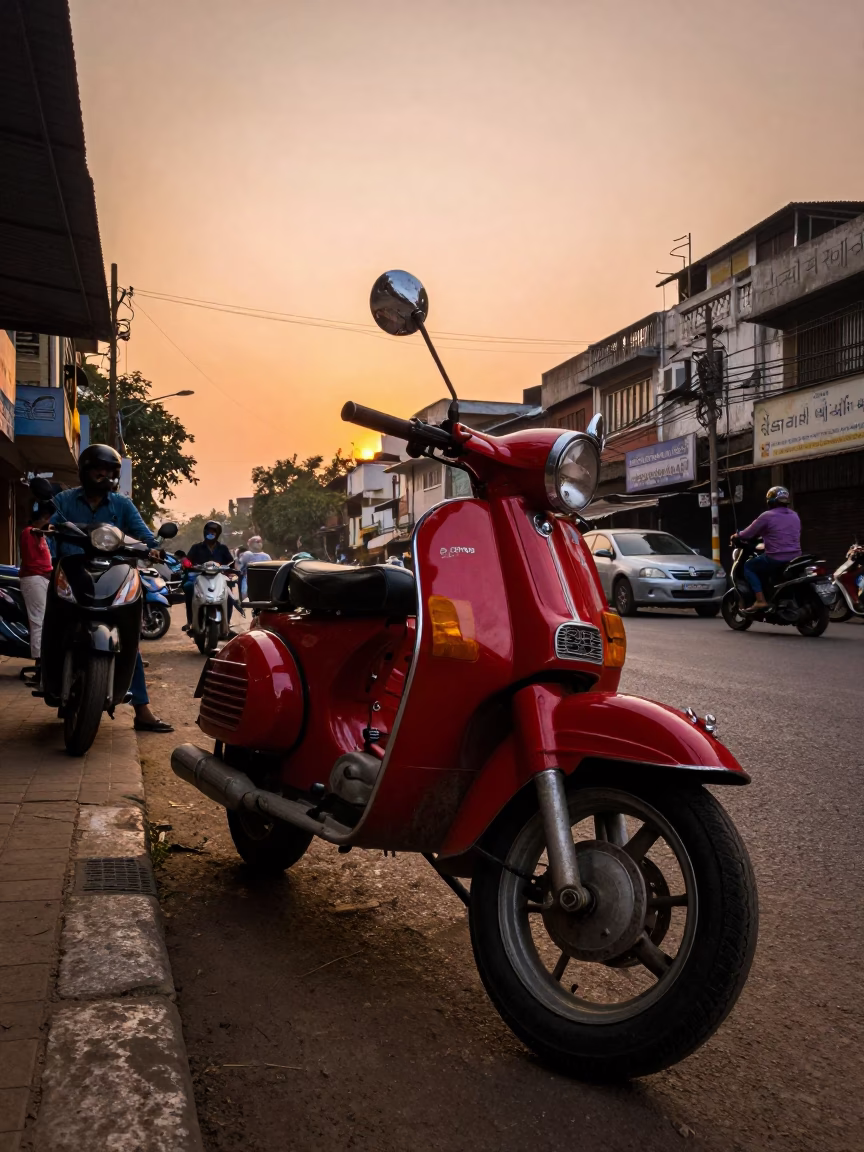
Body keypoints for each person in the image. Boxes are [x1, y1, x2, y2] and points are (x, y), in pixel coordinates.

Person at [50, 444, 173, 733]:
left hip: (113, 574)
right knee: (53, 624)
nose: (103, 475)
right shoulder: (64, 500)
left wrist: (154, 549)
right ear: (85, 471)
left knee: (130, 639)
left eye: (109, 471)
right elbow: (48, 527)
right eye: (98, 469)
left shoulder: (121, 504)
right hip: (72, 572)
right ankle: (51, 679)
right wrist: (43, 534)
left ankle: (142, 711)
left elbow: (144, 536)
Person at [734, 485, 802, 612]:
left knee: (749, 566)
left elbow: (748, 533)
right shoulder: (795, 515)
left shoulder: (767, 516)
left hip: (776, 558)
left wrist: (736, 536)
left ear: (770, 501)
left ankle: (760, 600)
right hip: (795, 557)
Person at [18, 500, 54, 678]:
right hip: (33, 579)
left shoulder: (41, 535)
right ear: (44, 517)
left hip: (43, 578)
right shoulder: (29, 532)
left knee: (45, 620)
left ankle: (44, 662)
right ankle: (40, 665)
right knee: (38, 621)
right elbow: (33, 561)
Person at [183, 520, 236, 629]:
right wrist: (186, 564)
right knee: (188, 588)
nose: (210, 534)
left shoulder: (223, 548)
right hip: (199, 576)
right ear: (204, 532)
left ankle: (227, 624)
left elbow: (231, 562)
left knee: (230, 597)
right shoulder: (196, 547)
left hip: (219, 577)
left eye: (213, 532)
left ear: (217, 534)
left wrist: (231, 570)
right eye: (208, 531)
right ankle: (190, 621)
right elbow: (188, 560)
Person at [236, 535, 271, 600]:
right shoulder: (247, 554)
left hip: (261, 581)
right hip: (249, 581)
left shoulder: (266, 556)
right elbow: (239, 568)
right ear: (251, 543)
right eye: (257, 541)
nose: (259, 543)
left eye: (260, 541)